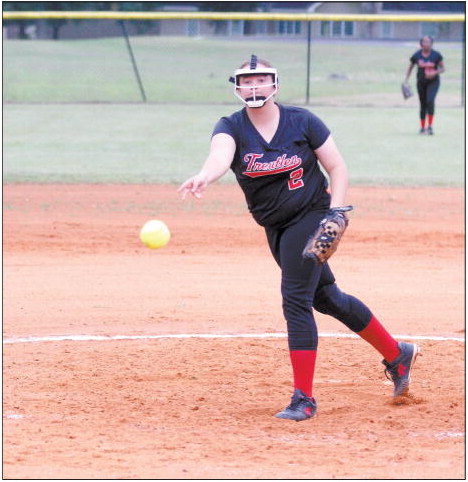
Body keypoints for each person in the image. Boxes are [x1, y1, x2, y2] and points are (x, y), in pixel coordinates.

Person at [178, 55, 420, 422]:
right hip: (275, 227)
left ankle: (304, 399)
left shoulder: (302, 121)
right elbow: (220, 155)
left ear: (275, 85)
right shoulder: (231, 126)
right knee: (326, 297)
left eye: (261, 80)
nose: (255, 87)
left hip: (311, 217)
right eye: (247, 81)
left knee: (295, 300)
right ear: (237, 87)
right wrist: (204, 176)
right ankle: (398, 355)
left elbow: (336, 166)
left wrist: (336, 213)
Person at [404, 36, 445, 135]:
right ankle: (422, 128)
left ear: (432, 44)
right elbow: (410, 67)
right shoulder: (417, 55)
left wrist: (434, 72)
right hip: (421, 82)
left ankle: (430, 127)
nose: (426, 44)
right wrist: (406, 80)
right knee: (423, 104)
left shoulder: (436, 55)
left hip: (433, 82)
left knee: (430, 100)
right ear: (421, 44)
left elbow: (443, 68)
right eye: (424, 42)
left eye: (428, 42)